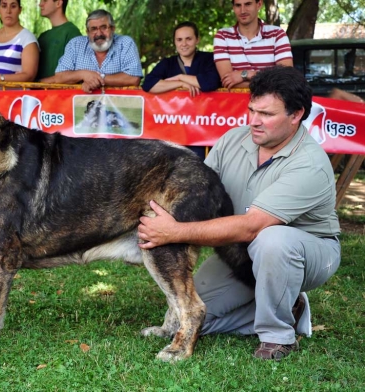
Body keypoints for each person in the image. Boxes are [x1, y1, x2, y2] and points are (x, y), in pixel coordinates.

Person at [138, 66, 341, 361]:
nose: (254, 122)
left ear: (296, 115)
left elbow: (252, 227)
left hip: (308, 250)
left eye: (267, 115)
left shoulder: (309, 163)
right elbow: (201, 193)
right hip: (242, 251)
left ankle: (277, 335)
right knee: (197, 315)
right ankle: (287, 308)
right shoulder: (235, 139)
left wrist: (173, 232)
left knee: (273, 240)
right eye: (251, 110)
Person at [142, 21, 220, 159]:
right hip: (175, 127)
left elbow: (209, 83)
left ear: (197, 39)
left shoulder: (209, 59)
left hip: (202, 128)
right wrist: (179, 84)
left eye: (188, 39)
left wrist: (180, 77)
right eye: (179, 40)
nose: (184, 44)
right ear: (175, 42)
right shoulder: (167, 63)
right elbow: (149, 84)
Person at [42, 9, 143, 93]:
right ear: (87, 32)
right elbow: (60, 77)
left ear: (112, 29)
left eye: (104, 27)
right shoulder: (75, 44)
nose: (99, 33)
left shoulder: (125, 43)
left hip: (118, 110)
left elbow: (133, 78)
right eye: (93, 29)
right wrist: (83, 74)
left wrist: (98, 79)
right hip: (79, 109)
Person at [214, 0, 293, 89]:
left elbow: (286, 78)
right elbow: (228, 82)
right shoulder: (223, 36)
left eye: (248, 4)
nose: (243, 10)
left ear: (259, 5)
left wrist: (244, 74)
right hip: (236, 101)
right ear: (233, 7)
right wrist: (269, 83)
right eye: (238, 5)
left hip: (271, 102)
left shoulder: (277, 34)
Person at [36, 0, 81, 80]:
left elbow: (77, 72)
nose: (40, 4)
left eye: (45, 1)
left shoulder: (72, 32)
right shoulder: (43, 36)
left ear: (58, 3)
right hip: (38, 91)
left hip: (60, 91)